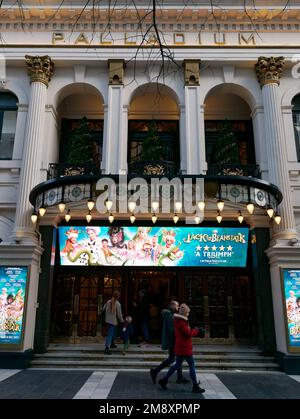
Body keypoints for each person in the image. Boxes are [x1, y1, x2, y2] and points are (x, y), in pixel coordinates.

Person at [158, 303, 205, 394]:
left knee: (177, 365)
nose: (188, 314)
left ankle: (164, 380)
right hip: (184, 347)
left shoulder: (178, 320)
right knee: (191, 365)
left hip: (180, 347)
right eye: (187, 312)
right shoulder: (181, 322)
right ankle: (195, 385)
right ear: (184, 313)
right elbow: (187, 334)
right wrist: (197, 331)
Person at [150, 300, 189, 385]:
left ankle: (179, 377)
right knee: (173, 359)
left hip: (173, 340)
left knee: (178, 358)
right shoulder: (170, 315)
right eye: (177, 306)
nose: (178, 307)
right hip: (173, 341)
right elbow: (172, 329)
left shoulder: (170, 314)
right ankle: (155, 371)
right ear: (172, 306)